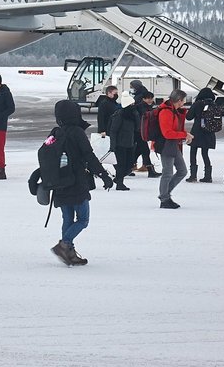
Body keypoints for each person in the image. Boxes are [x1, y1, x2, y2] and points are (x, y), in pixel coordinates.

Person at [29, 100, 113, 267]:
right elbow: (89, 156)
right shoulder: (77, 132)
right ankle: (65, 244)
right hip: (76, 182)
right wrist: (104, 175)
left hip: (59, 183)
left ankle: (69, 253)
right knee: (83, 219)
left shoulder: (55, 133)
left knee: (67, 218)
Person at [156, 89, 192, 209]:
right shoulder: (166, 112)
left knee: (182, 171)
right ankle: (164, 199)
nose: (184, 103)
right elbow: (167, 133)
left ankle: (165, 194)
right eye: (183, 100)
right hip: (166, 145)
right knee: (167, 173)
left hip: (172, 144)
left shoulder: (174, 111)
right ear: (179, 100)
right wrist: (184, 135)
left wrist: (184, 134)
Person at [185, 87, 218, 183]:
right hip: (209, 131)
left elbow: (189, 117)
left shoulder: (198, 104)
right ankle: (208, 176)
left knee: (193, 152)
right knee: (205, 153)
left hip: (197, 131)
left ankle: (193, 176)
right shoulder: (214, 105)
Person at [105, 93, 137, 190]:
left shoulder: (132, 115)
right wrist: (113, 145)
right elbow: (113, 131)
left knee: (130, 164)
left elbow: (136, 128)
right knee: (121, 165)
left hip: (130, 143)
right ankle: (120, 183)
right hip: (120, 144)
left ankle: (118, 179)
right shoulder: (119, 115)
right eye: (132, 104)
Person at [130, 82, 159, 177]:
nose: (150, 100)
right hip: (139, 131)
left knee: (139, 150)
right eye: (149, 99)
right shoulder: (142, 107)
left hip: (140, 131)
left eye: (151, 98)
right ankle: (150, 170)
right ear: (144, 99)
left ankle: (128, 167)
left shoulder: (145, 105)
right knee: (144, 150)